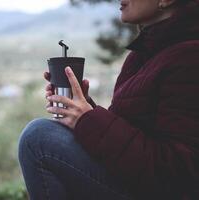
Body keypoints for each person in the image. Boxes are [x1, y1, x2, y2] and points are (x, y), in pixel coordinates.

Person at [18, 0, 199, 199]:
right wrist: (85, 109)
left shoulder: (190, 56)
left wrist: (88, 120)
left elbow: (180, 172)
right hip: (133, 181)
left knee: (39, 138)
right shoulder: (144, 54)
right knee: (47, 133)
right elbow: (132, 131)